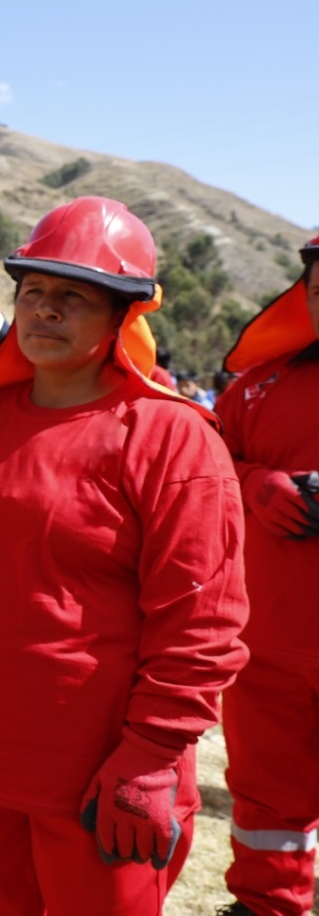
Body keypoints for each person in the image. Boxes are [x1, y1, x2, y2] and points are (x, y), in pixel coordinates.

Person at [0, 196, 249, 915]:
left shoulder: (171, 438)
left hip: (95, 773)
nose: (45, 311)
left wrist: (150, 757)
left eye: (73, 297)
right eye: (34, 292)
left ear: (123, 314)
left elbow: (202, 621)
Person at [214, 234, 319, 916]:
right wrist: (256, 484)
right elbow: (206, 462)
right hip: (272, 642)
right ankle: (265, 904)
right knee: (267, 790)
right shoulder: (262, 382)